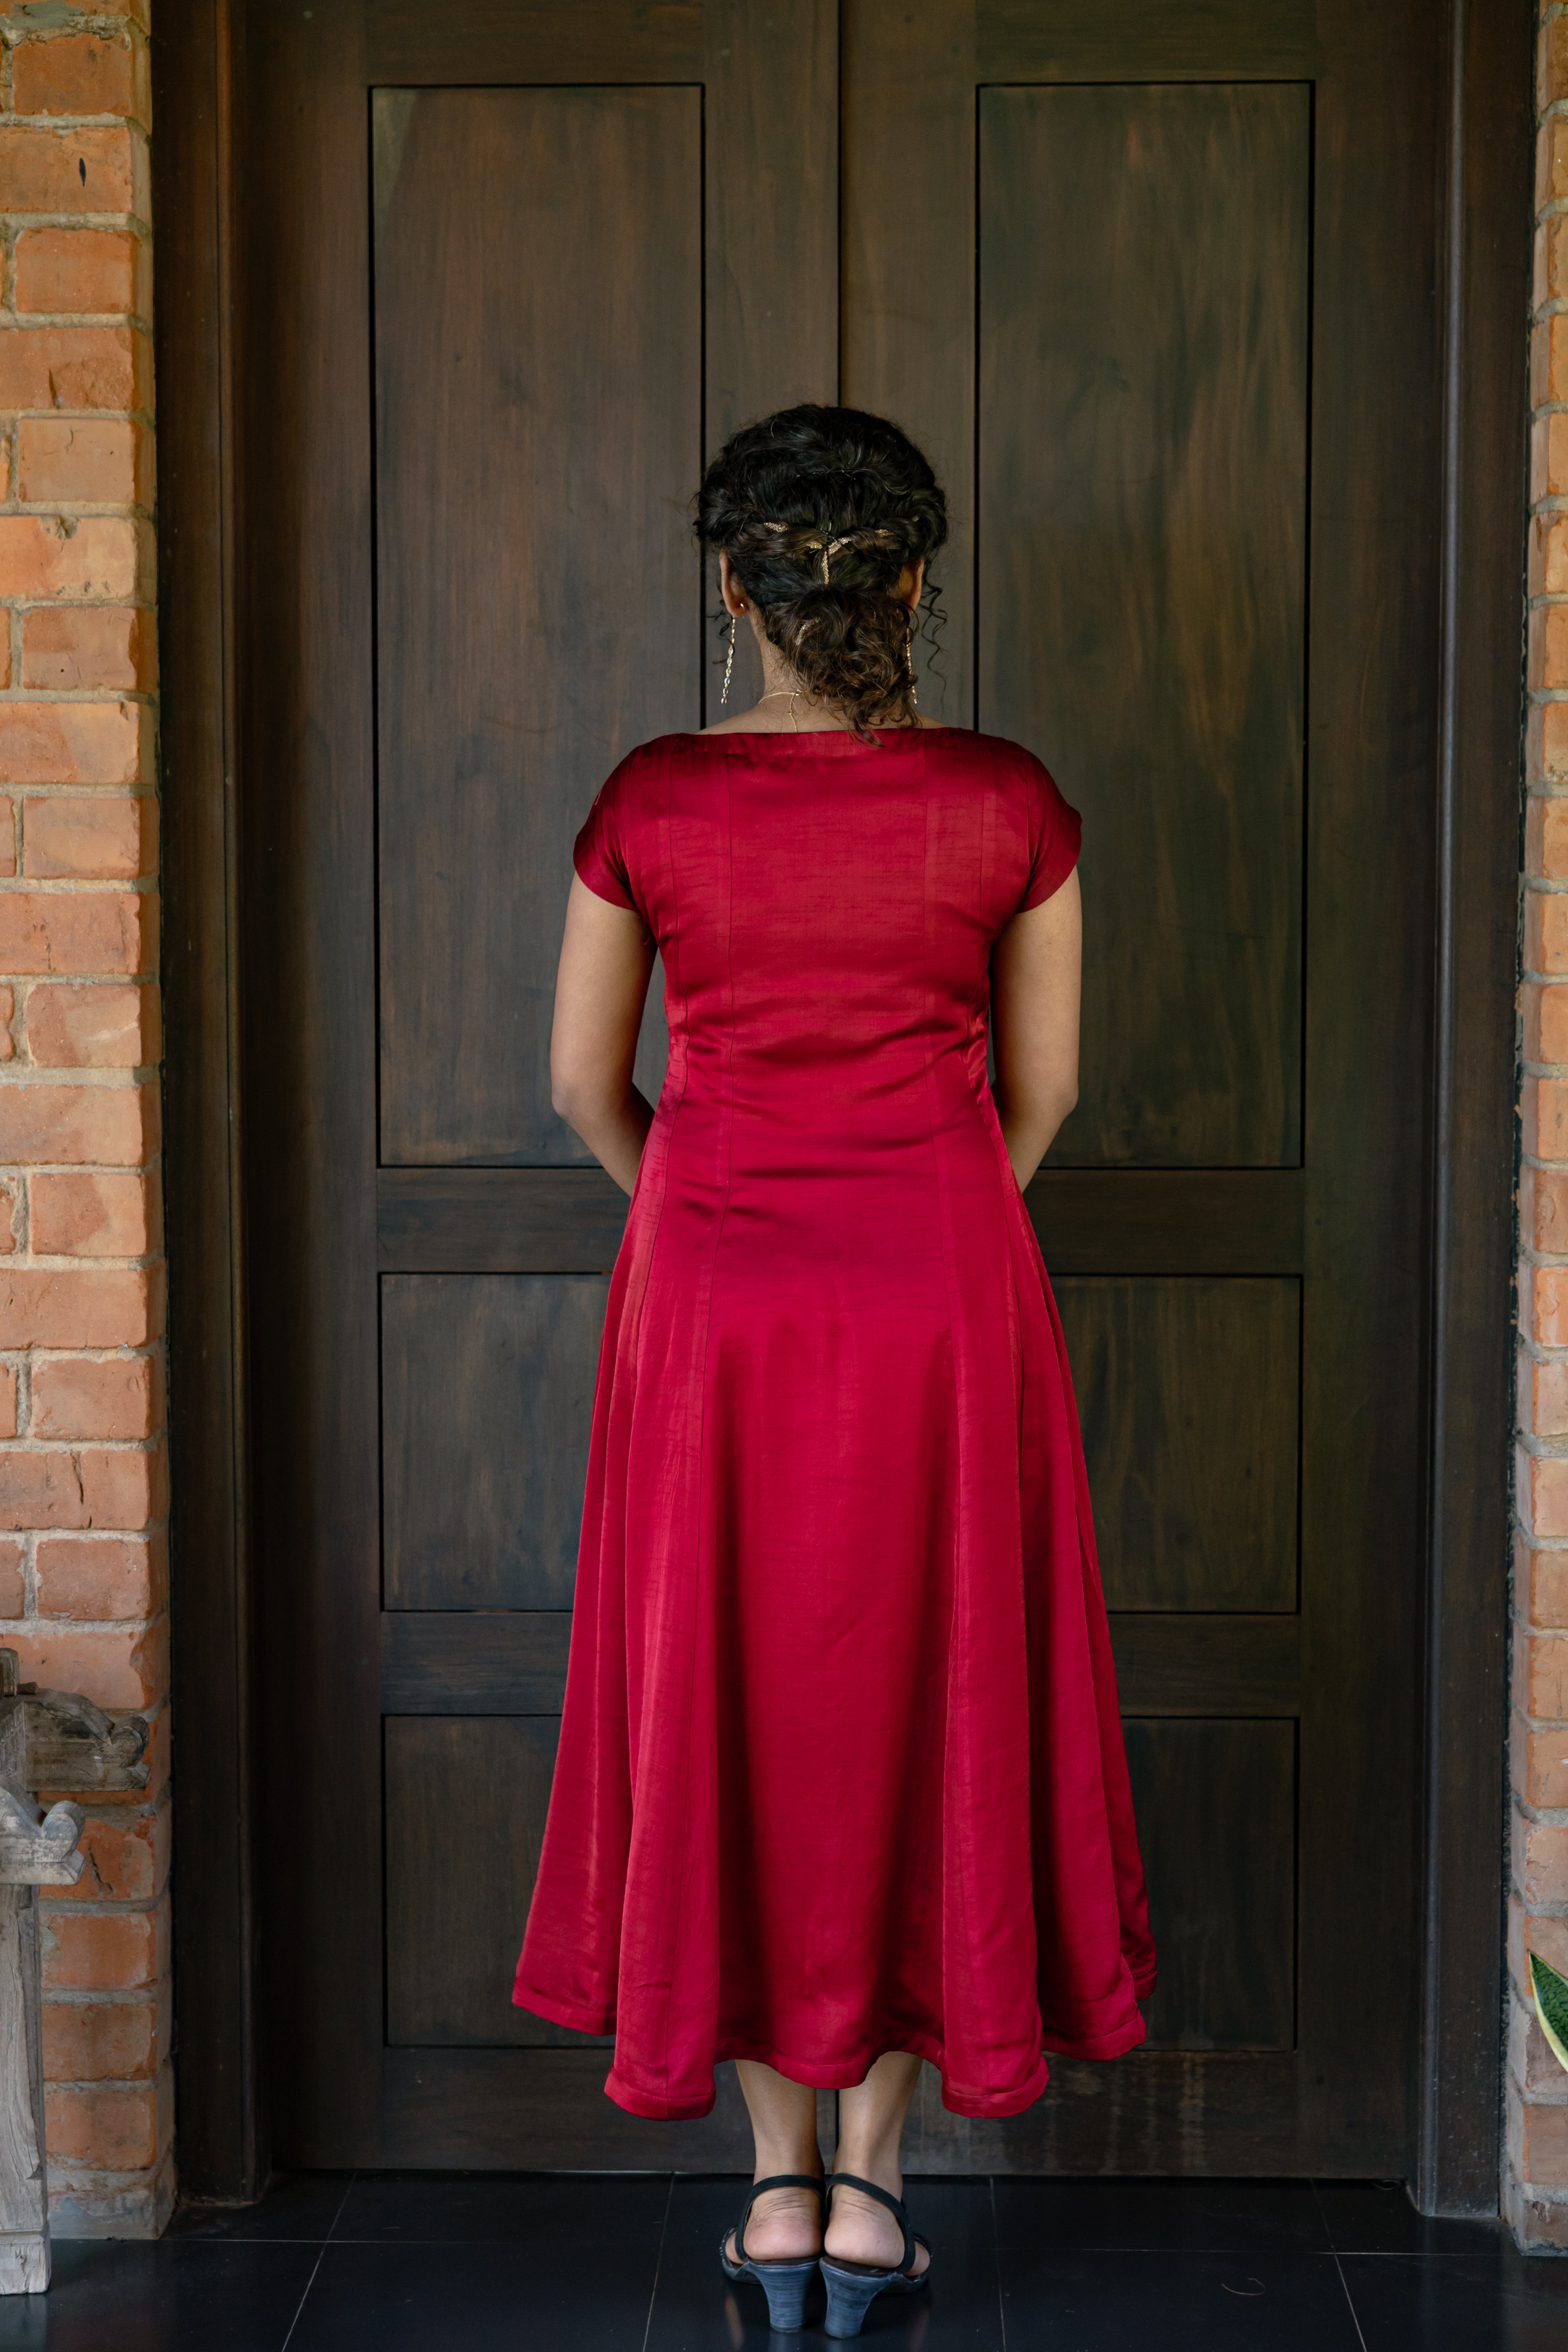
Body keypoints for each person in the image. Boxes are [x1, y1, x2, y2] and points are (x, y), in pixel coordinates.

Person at [514, 405, 1154, 2339]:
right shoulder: (1007, 802)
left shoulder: (652, 798)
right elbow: (1039, 1096)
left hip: (708, 1302)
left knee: (723, 1693)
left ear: (736, 585)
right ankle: (874, 2191)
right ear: (914, 585)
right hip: (944, 1293)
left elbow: (575, 1087)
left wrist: (706, 1202)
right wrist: (925, 1207)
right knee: (933, 1692)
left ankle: (774, 2187)